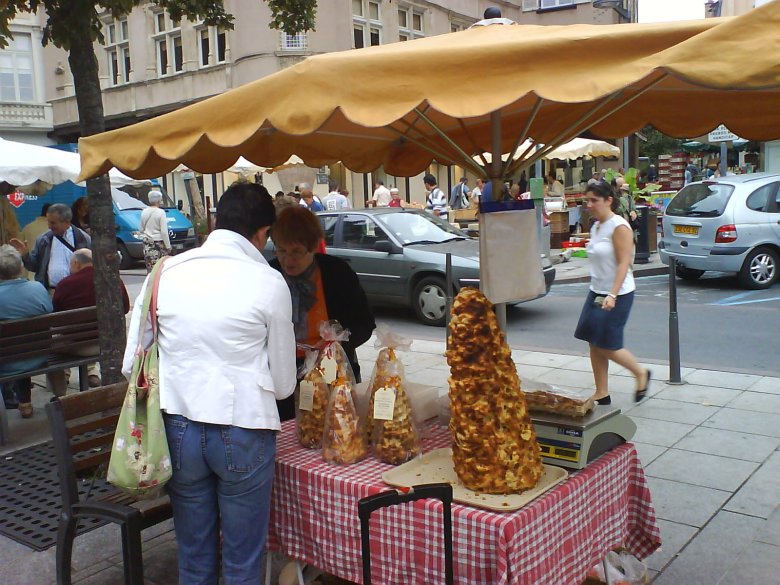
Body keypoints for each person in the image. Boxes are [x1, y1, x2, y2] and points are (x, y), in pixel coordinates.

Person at [123, 182, 296, 584]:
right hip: (245, 426)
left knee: (195, 557)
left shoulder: (164, 272)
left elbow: (133, 361)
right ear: (262, 232)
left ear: (218, 220)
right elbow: (285, 385)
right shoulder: (269, 282)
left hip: (178, 426)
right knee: (242, 561)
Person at [268, 206, 375, 422]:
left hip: (333, 374)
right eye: (281, 251)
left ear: (313, 247)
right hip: (281, 379)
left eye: (296, 251)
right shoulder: (267, 275)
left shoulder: (337, 274)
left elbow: (364, 324)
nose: (288, 260)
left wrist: (335, 346)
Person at [574, 181, 651, 406]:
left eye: (594, 200)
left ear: (609, 201)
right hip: (596, 291)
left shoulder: (619, 227)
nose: (589, 205)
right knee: (592, 339)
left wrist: (613, 294)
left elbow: (624, 263)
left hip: (617, 293)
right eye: (587, 200)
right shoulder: (597, 226)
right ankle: (601, 392)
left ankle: (641, 373)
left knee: (608, 344)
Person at [50, 249, 129, 389]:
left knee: (49, 346)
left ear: (76, 263)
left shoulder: (65, 284)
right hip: (110, 342)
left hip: (77, 346)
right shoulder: (113, 279)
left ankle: (59, 393)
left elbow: (56, 318)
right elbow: (126, 308)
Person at [0, 245, 53, 418]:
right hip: (39, 355)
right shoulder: (37, 288)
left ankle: (15, 401)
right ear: (21, 267)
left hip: (7, 362)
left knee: (13, 348)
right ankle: (25, 403)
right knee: (20, 346)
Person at [9, 203, 90, 291]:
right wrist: (25, 255)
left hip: (76, 291)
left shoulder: (84, 239)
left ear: (67, 222)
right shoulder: (43, 240)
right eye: (48, 221)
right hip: (49, 292)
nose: (49, 226)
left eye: (53, 223)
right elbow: (33, 267)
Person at [139, 189, 172, 273]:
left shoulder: (144, 212)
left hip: (147, 244)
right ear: (158, 200)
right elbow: (164, 232)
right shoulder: (161, 212)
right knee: (160, 269)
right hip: (159, 244)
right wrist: (168, 247)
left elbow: (141, 229)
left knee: (150, 269)